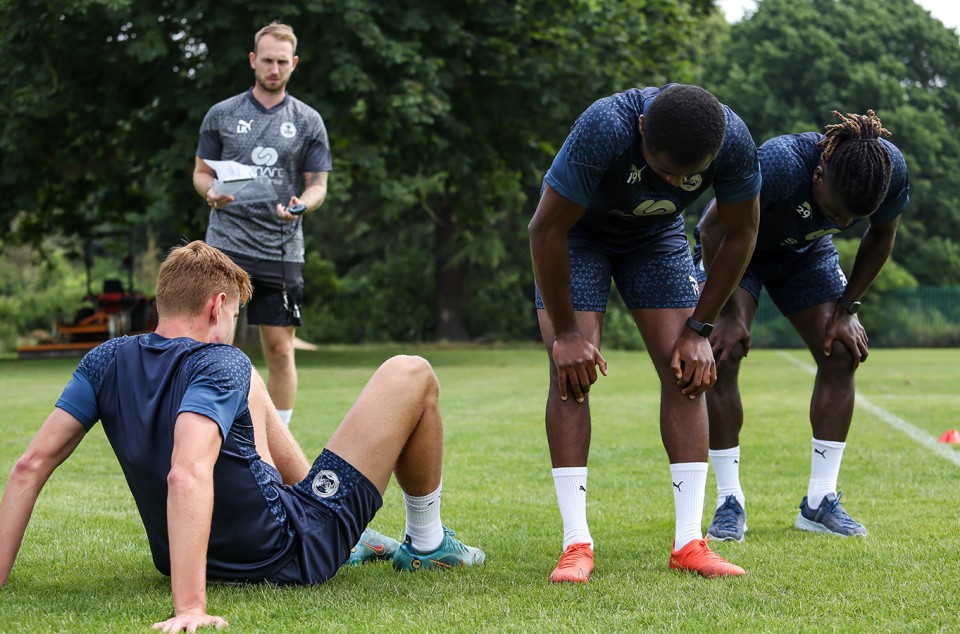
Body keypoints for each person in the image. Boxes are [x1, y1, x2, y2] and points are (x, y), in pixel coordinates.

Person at [0, 241, 485, 633]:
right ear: (218, 306)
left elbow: (29, 466)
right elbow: (186, 471)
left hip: (187, 553)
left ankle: (344, 529)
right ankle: (426, 544)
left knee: (246, 376)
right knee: (410, 372)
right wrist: (190, 609)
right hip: (289, 555)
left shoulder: (105, 359)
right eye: (235, 317)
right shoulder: (220, 361)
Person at [528, 83, 761, 582]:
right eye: (665, 171)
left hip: (655, 237)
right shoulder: (605, 126)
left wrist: (700, 328)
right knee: (570, 372)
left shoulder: (732, 139)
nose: (676, 181)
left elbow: (742, 233)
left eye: (687, 176)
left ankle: (689, 542)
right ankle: (576, 544)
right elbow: (544, 229)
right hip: (577, 235)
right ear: (640, 131)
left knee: (687, 371)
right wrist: (567, 333)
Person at [695, 110, 908, 542]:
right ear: (817, 173)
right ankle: (728, 500)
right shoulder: (778, 163)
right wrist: (731, 315)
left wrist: (847, 308)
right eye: (836, 212)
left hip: (805, 256)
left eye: (853, 220)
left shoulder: (887, 172)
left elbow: (882, 237)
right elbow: (712, 227)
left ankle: (820, 501)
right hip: (741, 249)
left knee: (844, 351)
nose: (844, 224)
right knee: (723, 350)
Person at [193, 21, 331, 427]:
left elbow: (318, 185)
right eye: (267, 60)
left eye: (282, 62)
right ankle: (216, 430)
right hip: (226, 244)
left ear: (294, 64)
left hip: (281, 246)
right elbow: (201, 172)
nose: (274, 68)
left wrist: (302, 205)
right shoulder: (222, 114)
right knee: (217, 343)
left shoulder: (308, 121)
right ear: (253, 60)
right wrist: (209, 192)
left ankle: (276, 439)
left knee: (280, 350)